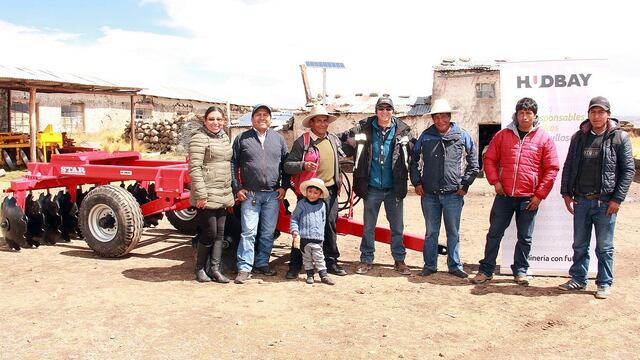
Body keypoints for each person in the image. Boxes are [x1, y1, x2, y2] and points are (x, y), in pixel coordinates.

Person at [471, 97, 559, 286]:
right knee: (494, 233)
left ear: (535, 116)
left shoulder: (544, 139)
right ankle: (486, 270)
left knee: (525, 238)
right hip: (504, 196)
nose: (525, 117)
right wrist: (495, 181)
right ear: (516, 114)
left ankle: (520, 270)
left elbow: (552, 169)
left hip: (529, 198)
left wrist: (539, 196)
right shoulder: (503, 136)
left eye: (529, 113)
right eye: (521, 113)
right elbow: (489, 159)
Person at [558, 96, 635, 299]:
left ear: (608, 114)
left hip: (605, 203)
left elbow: (628, 170)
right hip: (582, 200)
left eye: (601, 112)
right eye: (593, 112)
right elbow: (568, 166)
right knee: (579, 244)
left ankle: (604, 283)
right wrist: (566, 192)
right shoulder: (579, 137)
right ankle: (578, 279)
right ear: (588, 114)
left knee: (604, 246)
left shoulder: (620, 138)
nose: (597, 116)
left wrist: (617, 199)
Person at [338, 97, 413, 275]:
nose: (385, 112)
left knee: (397, 227)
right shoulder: (363, 129)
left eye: (388, 108)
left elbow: (415, 153)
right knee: (368, 227)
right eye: (381, 108)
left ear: (393, 111)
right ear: (376, 110)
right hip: (371, 188)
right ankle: (366, 259)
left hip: (394, 188)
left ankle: (399, 260)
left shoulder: (403, 132)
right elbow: (341, 142)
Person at [410, 99, 479, 278]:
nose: (440, 121)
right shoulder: (426, 136)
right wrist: (417, 182)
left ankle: (455, 265)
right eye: (436, 117)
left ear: (449, 117)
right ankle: (430, 265)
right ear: (432, 118)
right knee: (431, 232)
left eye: (444, 117)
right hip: (429, 195)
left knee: (453, 232)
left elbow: (473, 161)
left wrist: (465, 184)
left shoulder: (461, 135)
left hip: (453, 195)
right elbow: (413, 161)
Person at [284, 104, 346, 279]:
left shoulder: (333, 139)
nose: (322, 124)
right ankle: (295, 264)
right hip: (309, 193)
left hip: (330, 191)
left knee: (329, 226)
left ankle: (331, 261)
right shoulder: (302, 142)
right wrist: (303, 165)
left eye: (325, 121)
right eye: (318, 121)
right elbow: (288, 166)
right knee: (303, 229)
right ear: (311, 123)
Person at [231, 104, 289, 284]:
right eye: (258, 115)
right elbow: (232, 164)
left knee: (267, 233)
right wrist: (237, 187)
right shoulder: (242, 138)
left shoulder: (279, 140)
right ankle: (244, 268)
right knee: (248, 232)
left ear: (271, 119)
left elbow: (286, 165)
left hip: (272, 195)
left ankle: (262, 263)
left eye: (266, 115)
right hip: (251, 195)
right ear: (252, 119)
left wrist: (284, 186)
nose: (262, 118)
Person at [188, 106, 235, 283]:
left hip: (223, 191)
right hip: (207, 193)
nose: (216, 123)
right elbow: (194, 168)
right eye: (212, 119)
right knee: (209, 232)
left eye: (219, 119)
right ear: (205, 121)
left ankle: (215, 269)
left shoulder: (224, 137)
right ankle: (199, 268)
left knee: (220, 234)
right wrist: (200, 194)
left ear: (224, 121)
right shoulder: (199, 138)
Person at [290, 178, 336, 285]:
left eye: (316, 193)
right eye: (310, 192)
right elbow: (295, 218)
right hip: (304, 238)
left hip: (317, 238)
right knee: (307, 259)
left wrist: (321, 234)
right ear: (306, 192)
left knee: (319, 257)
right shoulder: (301, 204)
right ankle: (309, 275)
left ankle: (323, 275)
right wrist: (295, 231)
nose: (312, 195)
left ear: (320, 194)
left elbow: (323, 220)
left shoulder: (322, 206)